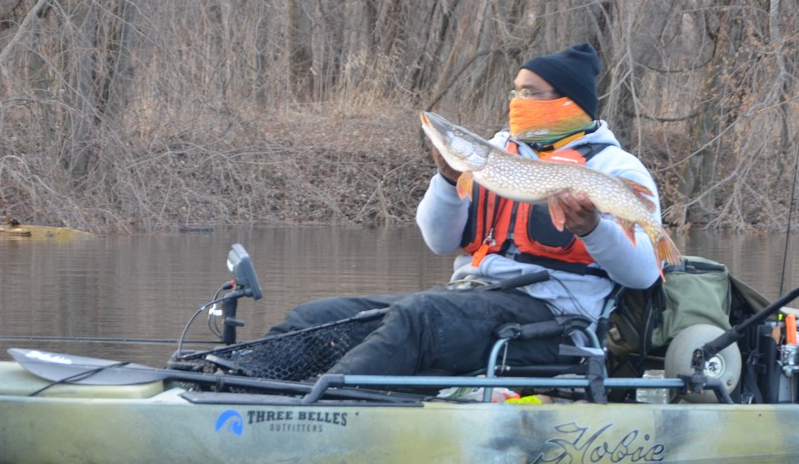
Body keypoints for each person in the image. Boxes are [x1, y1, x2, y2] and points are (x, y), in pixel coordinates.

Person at [264, 43, 665, 377]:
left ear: (568, 101)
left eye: (530, 92)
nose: (516, 101)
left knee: (418, 317)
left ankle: (322, 407)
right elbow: (439, 242)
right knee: (320, 316)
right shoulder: (496, 151)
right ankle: (244, 385)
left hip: (558, 324)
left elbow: (645, 274)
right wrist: (448, 181)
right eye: (515, 91)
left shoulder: (616, 169)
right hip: (471, 299)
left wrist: (593, 229)